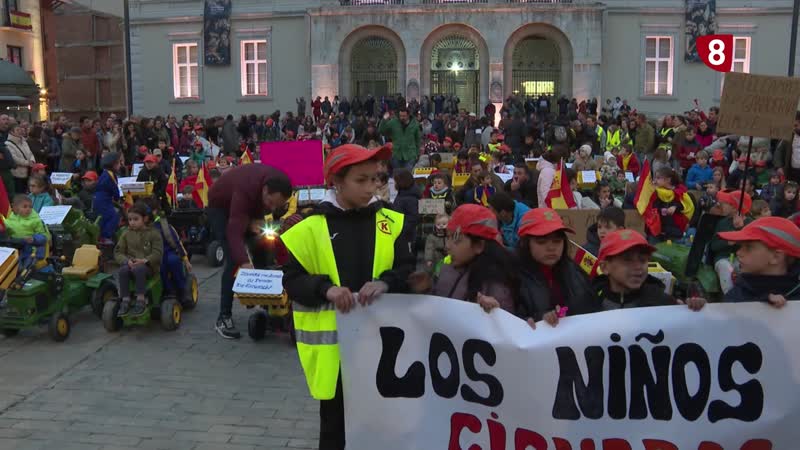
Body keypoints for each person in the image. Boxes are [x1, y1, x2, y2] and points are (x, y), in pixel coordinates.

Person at [281, 143, 414, 450]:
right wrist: (325, 289)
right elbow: (291, 279)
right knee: (335, 428)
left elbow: (408, 270)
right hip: (335, 355)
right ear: (336, 181)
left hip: (385, 346)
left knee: (383, 424)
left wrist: (386, 283)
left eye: (376, 179)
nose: (371, 188)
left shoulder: (392, 221)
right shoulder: (308, 226)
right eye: (361, 180)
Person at [207, 163, 292, 339]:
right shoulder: (246, 188)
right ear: (265, 191)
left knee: (263, 245)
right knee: (233, 258)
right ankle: (224, 317)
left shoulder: (273, 184)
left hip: (250, 206)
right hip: (221, 208)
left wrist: (256, 223)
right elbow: (233, 231)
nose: (272, 208)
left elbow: (266, 210)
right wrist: (244, 263)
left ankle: (265, 299)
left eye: (277, 206)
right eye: (270, 203)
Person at [410, 204, 517, 313]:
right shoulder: (446, 269)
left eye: (456, 240)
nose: (447, 246)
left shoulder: (496, 285)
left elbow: (507, 325)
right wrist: (425, 289)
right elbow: (439, 306)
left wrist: (496, 312)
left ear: (478, 246)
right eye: (448, 237)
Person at [516, 208, 595, 326]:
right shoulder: (512, 276)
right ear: (526, 244)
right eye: (541, 241)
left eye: (557, 241)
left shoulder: (576, 273)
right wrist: (538, 318)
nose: (551, 248)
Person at [594, 229, 705, 311]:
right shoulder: (589, 304)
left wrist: (692, 310)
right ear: (605, 267)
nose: (638, 267)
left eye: (642, 260)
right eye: (627, 260)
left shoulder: (662, 303)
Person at [718, 216, 800, 305]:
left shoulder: (796, 293)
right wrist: (702, 310)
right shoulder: (740, 289)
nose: (738, 252)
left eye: (748, 247)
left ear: (776, 257)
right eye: (741, 246)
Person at [113, 202, 163, 317]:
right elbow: (118, 252)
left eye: (136, 219)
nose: (132, 222)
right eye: (130, 219)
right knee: (122, 270)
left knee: (139, 269)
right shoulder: (126, 234)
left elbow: (158, 253)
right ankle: (125, 299)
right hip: (130, 264)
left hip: (149, 267)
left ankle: (141, 298)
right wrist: (126, 261)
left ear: (144, 219)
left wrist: (145, 260)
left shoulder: (154, 234)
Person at [710, 191, 753, 294]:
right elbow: (713, 246)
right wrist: (728, 242)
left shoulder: (750, 223)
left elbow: (751, 245)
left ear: (734, 207)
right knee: (725, 268)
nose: (721, 205)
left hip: (742, 259)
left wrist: (741, 229)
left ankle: (748, 295)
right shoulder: (722, 223)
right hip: (723, 258)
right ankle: (729, 295)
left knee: (747, 269)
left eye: (725, 204)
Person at [5, 194, 50, 269]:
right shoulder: (9, 220)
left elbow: (45, 237)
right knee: (15, 268)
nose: (28, 209)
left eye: (30, 207)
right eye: (25, 206)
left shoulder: (36, 220)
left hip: (32, 250)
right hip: (16, 250)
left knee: (27, 269)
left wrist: (34, 239)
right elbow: (6, 233)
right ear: (15, 207)